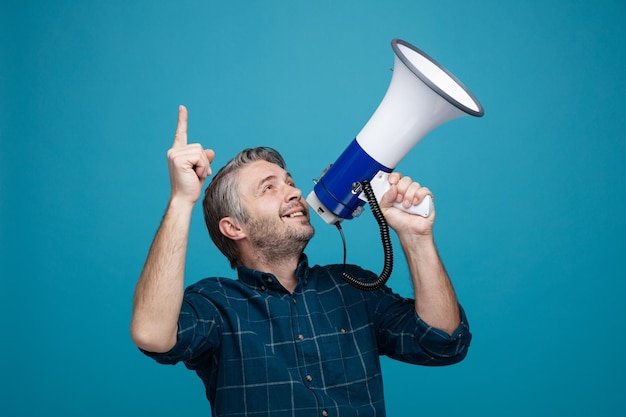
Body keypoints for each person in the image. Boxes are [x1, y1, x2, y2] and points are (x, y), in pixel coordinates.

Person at [131, 105, 471, 417]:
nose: (293, 192)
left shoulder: (352, 288)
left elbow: (442, 343)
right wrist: (181, 199)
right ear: (233, 227)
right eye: (269, 188)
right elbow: (152, 333)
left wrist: (416, 237)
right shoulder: (216, 305)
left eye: (290, 182)